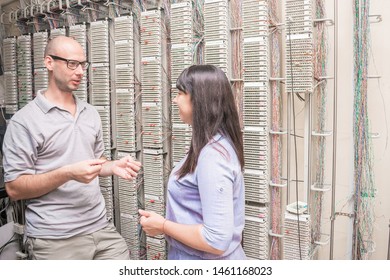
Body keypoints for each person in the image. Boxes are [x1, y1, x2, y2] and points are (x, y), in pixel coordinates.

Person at [2, 36, 141, 260]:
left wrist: (112, 165)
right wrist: (67, 173)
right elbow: (15, 188)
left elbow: (95, 162)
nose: (80, 72)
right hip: (55, 239)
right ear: (49, 63)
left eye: (83, 65)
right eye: (71, 64)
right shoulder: (24, 122)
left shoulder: (91, 113)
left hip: (100, 228)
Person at [139, 65, 246, 260]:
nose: (175, 99)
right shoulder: (215, 145)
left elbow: (216, 240)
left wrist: (162, 226)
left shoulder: (213, 157)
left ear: (200, 100)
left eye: (180, 93)